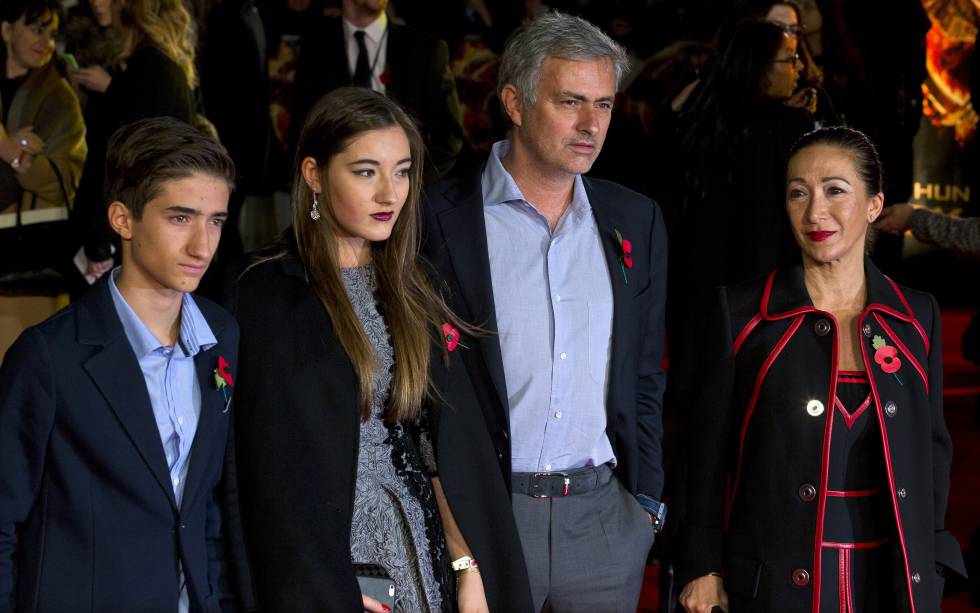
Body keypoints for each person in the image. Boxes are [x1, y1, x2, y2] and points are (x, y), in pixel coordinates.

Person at [230, 86, 532, 613]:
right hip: (327, 570)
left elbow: (431, 448)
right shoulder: (263, 294)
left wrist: (466, 567)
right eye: (366, 171)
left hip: (421, 551)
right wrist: (330, 587)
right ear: (314, 175)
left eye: (403, 171)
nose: (390, 193)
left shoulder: (413, 286)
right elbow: (264, 476)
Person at [421, 12, 667, 612]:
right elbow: (416, 389)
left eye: (604, 105)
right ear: (514, 101)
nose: (592, 125)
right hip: (485, 516)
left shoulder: (635, 220)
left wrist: (646, 508)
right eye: (571, 102)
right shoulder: (435, 219)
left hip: (606, 523)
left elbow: (645, 376)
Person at [675, 126, 967, 612]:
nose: (815, 213)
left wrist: (930, 562)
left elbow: (932, 455)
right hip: (774, 583)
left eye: (835, 190)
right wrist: (702, 565)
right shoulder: (744, 315)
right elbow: (704, 456)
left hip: (888, 582)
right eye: (798, 193)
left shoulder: (918, 318)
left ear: (875, 204)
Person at [0, 117, 239, 612]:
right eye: (180, 218)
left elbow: (207, 503)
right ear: (122, 220)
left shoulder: (222, 337)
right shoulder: (48, 357)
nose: (203, 246)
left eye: (215, 220)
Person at [69, 0, 197, 281]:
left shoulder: (149, 70)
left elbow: (131, 165)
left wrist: (99, 239)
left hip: (128, 238)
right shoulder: (152, 66)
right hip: (135, 233)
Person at [291, 0, 464, 182]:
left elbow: (449, 138)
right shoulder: (315, 47)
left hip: (409, 199)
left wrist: (407, 184)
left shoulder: (426, 50)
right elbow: (302, 130)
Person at [0, 0, 86, 212]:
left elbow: (69, 183)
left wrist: (17, 157)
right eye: (37, 30)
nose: (46, 42)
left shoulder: (60, 98)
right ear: (7, 31)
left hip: (27, 235)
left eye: (53, 35)